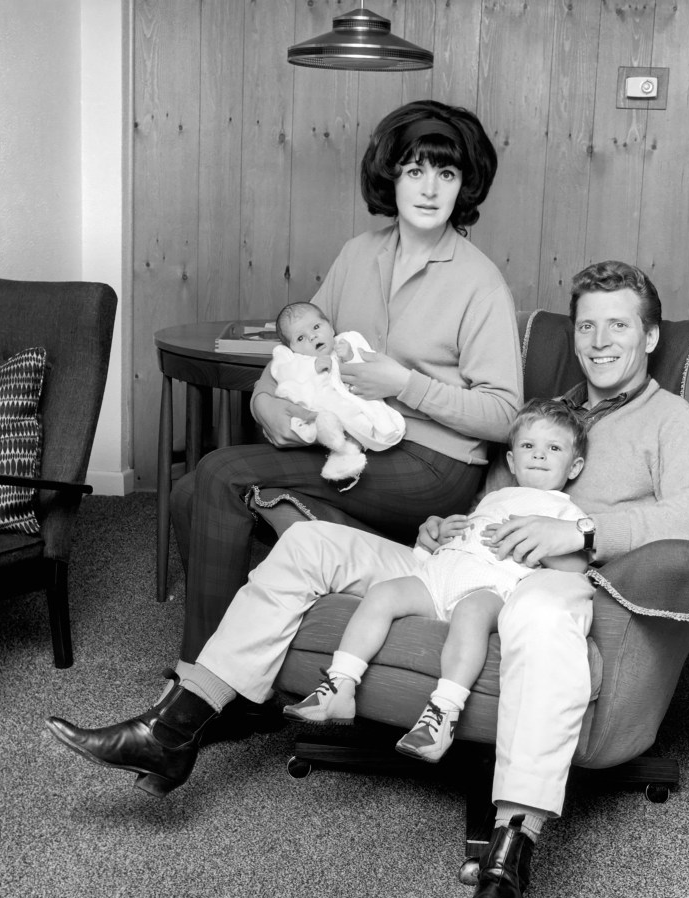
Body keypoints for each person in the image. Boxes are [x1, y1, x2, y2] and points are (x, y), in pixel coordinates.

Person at [46, 260, 689, 898]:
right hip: (458, 561)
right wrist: (446, 525)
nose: (598, 340)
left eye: (617, 325)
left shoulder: (671, 421)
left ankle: (506, 862)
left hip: (548, 580)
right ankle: (176, 727)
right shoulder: (548, 415)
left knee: (544, 614)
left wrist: (581, 531)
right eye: (586, 325)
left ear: (648, 338)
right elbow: (489, 497)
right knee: (312, 544)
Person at [169, 99, 522, 662]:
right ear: (393, 178)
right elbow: (292, 353)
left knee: (218, 468)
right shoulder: (357, 255)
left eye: (446, 173)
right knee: (192, 492)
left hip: (436, 465)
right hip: (358, 445)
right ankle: (244, 660)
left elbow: (505, 414)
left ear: (464, 187)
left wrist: (403, 383)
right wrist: (268, 408)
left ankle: (202, 680)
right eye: (415, 171)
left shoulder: (481, 284)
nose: (430, 188)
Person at [282, 398, 591, 763]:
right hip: (441, 575)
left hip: (494, 587)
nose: (538, 455)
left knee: (471, 613)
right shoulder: (496, 496)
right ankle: (339, 685)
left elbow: (575, 567)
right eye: (528, 446)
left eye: (553, 448)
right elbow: (466, 533)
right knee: (383, 594)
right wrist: (444, 530)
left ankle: (441, 715)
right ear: (511, 461)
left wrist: (535, 541)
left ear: (574, 466)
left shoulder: (564, 511)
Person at [268, 301, 406, 485]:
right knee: (322, 422)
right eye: (300, 338)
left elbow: (368, 369)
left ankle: (345, 453)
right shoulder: (299, 360)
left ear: (331, 327)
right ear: (292, 348)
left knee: (358, 424)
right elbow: (286, 374)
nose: (312, 336)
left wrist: (349, 356)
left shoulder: (346, 343)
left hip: (353, 405)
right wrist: (311, 366)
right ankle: (338, 447)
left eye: (316, 327)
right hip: (321, 409)